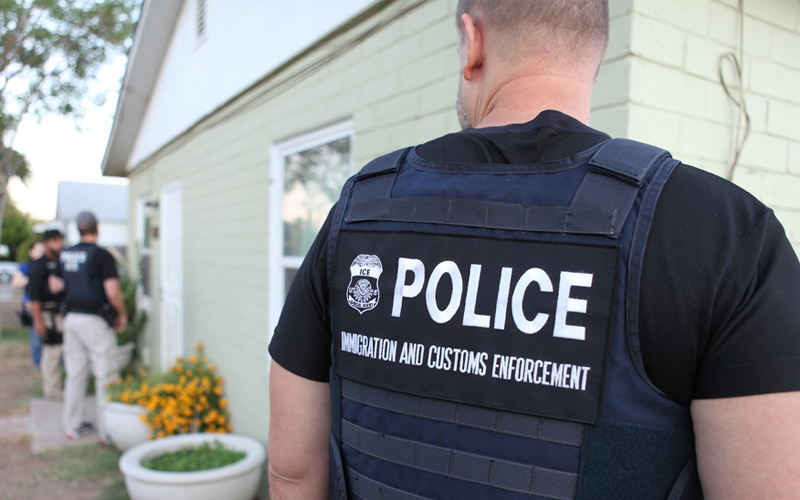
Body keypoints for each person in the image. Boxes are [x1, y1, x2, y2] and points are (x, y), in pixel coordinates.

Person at [267, 1, 800, 499]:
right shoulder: (724, 233)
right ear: (593, 56)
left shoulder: (358, 209)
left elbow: (293, 471)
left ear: (471, 42)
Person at [58, 211, 127, 442]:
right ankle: (107, 431)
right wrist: (122, 313)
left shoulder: (66, 253)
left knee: (75, 373)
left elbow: (55, 284)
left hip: (71, 319)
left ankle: (72, 426)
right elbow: (112, 291)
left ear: (79, 229)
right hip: (94, 320)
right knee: (106, 373)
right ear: (97, 227)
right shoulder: (101, 255)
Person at [28, 229, 66, 400]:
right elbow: (34, 298)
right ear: (47, 243)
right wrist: (38, 321)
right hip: (48, 314)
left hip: (63, 312)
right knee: (52, 351)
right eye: (55, 241)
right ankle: (52, 390)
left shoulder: (62, 261)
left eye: (61, 240)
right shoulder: (39, 266)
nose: (60, 244)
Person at [12, 240, 46, 370]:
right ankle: (38, 365)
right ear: (31, 252)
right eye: (39, 250)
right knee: (36, 339)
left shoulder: (49, 265)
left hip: (48, 307)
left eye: (43, 250)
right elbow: (16, 282)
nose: (42, 253)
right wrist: (33, 278)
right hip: (32, 307)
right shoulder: (27, 266)